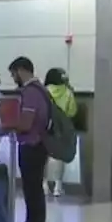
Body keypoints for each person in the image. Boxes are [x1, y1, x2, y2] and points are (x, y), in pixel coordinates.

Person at [8, 56, 49, 222]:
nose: (13, 77)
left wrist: (8, 125)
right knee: (33, 189)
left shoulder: (31, 93)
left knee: (33, 190)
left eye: (14, 73)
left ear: (21, 70)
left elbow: (26, 123)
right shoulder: (40, 90)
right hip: (38, 146)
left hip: (32, 146)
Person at [44, 68, 77, 198]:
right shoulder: (68, 93)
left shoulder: (45, 91)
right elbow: (72, 112)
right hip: (62, 129)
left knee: (44, 156)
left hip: (47, 127)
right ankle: (58, 186)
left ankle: (44, 184)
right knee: (60, 156)